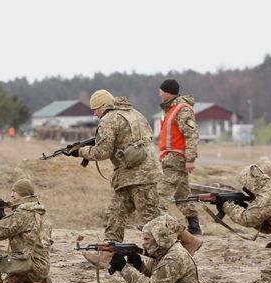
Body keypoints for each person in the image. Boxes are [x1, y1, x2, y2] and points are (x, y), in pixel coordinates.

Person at [70, 89, 201, 266]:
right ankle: (109, 254)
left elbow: (102, 152)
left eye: (95, 109)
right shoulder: (134, 113)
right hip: (134, 174)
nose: (94, 113)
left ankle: (188, 240)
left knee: (152, 216)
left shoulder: (109, 119)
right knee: (116, 212)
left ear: (102, 106)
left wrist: (80, 152)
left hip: (138, 175)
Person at [156, 79, 202, 236]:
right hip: (170, 158)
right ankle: (194, 228)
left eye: (161, 91)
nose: (159, 94)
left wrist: (190, 159)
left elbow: (191, 135)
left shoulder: (182, 110)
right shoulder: (170, 110)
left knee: (160, 194)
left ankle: (154, 226)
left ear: (168, 93)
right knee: (183, 196)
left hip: (176, 159)